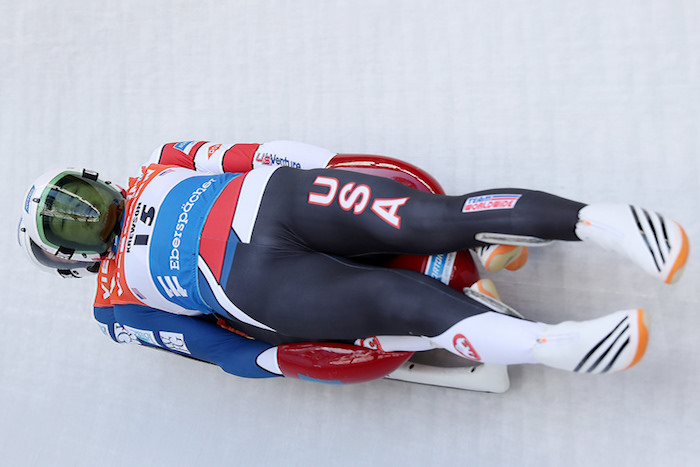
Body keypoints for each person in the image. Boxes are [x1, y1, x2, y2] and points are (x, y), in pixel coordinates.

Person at [18, 140, 689, 386]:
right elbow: (202, 344)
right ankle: (553, 345)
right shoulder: (115, 306)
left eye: (79, 198)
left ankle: (603, 222)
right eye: (71, 223)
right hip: (257, 285)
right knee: (401, 304)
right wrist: (283, 358)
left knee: (435, 218)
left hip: (277, 201)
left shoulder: (165, 158)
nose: (93, 214)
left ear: (95, 177)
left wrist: (331, 167)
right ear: (73, 260)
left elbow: (254, 155)